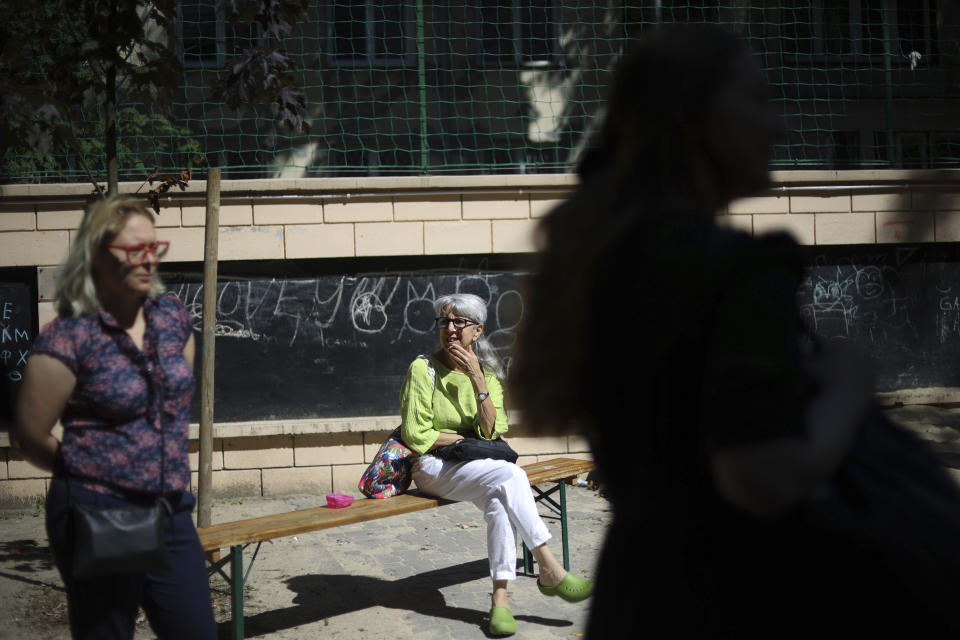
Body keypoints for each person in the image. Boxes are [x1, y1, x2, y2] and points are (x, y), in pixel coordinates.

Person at [509, 24, 946, 638]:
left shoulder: (610, 260)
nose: (779, 128)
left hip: (642, 595)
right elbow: (761, 476)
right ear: (694, 120)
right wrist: (849, 384)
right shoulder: (728, 270)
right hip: (732, 598)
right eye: (757, 101)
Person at [13, 196, 215, 640]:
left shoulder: (172, 318)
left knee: (197, 630)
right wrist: (91, 471)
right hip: (98, 513)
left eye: (153, 248)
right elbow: (28, 436)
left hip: (170, 509)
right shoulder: (69, 338)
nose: (148, 260)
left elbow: (175, 401)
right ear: (98, 256)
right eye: (133, 250)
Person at [400, 292, 593, 636]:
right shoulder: (423, 368)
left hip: (474, 466)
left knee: (500, 502)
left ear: (477, 330)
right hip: (431, 468)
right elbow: (417, 435)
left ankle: (500, 603)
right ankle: (550, 568)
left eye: (460, 322)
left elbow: (491, 430)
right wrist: (462, 441)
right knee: (511, 474)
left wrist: (476, 378)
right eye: (445, 321)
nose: (451, 329)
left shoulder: (486, 375)